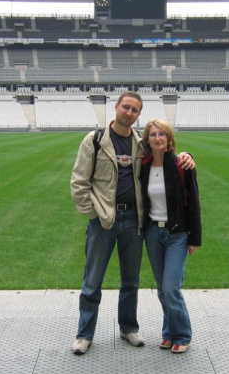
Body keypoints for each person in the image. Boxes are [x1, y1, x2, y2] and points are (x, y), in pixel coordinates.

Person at [70, 91, 194, 355]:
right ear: (116, 107)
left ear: (139, 114)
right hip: (103, 221)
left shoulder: (141, 144)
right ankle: (84, 334)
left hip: (134, 221)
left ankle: (128, 328)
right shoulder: (95, 140)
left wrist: (187, 153)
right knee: (92, 280)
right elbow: (79, 182)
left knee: (131, 281)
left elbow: (167, 152)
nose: (129, 112)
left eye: (135, 110)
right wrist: (94, 213)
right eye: (125, 107)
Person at [140, 119, 201, 354]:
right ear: (147, 139)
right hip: (153, 233)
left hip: (177, 234)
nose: (157, 138)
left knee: (171, 287)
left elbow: (194, 203)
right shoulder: (144, 166)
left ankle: (183, 334)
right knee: (161, 288)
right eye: (153, 134)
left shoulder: (181, 165)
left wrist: (195, 238)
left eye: (162, 134)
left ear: (169, 138)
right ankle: (168, 332)